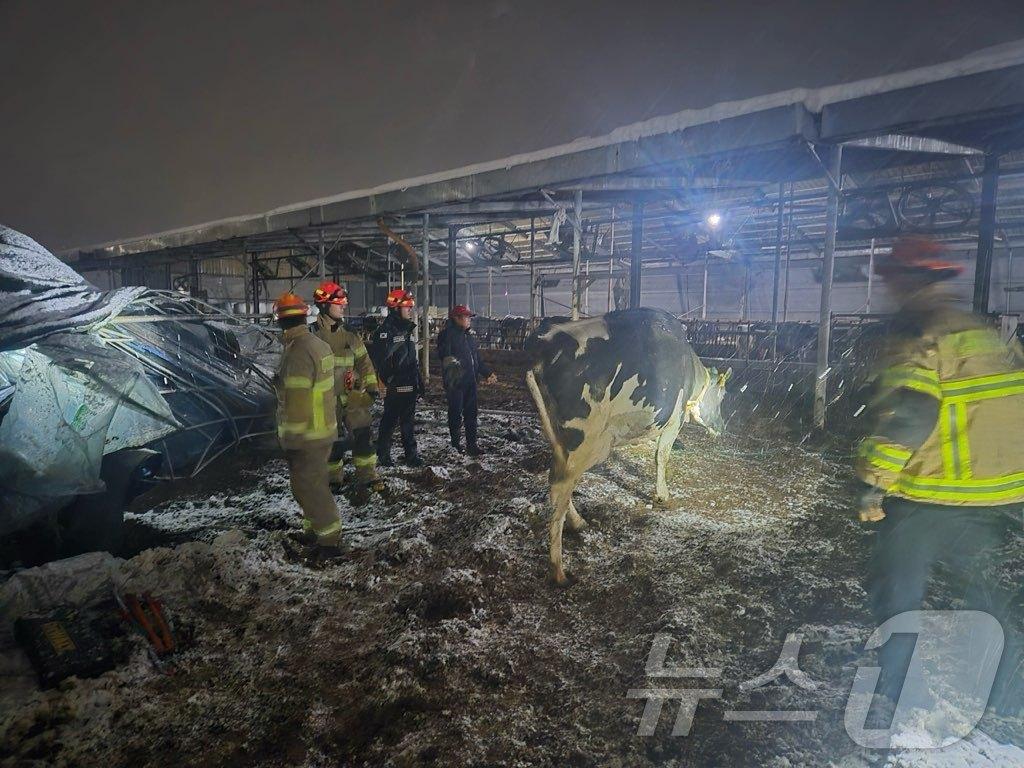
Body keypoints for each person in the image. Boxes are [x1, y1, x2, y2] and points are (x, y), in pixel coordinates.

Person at [855, 237, 1024, 712]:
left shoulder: (923, 335)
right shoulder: (986, 335)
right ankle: (1008, 696)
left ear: (909, 280)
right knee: (983, 596)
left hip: (930, 495)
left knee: (897, 592)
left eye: (890, 279)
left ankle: (896, 692)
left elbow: (912, 416)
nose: (887, 289)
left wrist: (873, 482)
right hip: (993, 497)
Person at [272, 292, 344, 551]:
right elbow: (330, 387)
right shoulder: (319, 345)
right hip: (324, 429)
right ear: (305, 316)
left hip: (307, 436)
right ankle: (314, 531)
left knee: (310, 488)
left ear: (279, 321)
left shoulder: (297, 353)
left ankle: (329, 540)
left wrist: (291, 439)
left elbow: (298, 402)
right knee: (310, 485)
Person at [312, 280, 381, 505]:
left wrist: (371, 387)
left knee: (363, 436)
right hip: (324, 401)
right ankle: (333, 480)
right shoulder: (311, 336)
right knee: (332, 443)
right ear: (324, 306)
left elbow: (364, 362)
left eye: (343, 302)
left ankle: (368, 477)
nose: (343, 305)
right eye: (338, 302)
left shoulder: (351, 335)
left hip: (352, 397)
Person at [370, 288, 424, 467]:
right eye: (407, 307)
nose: (410, 311)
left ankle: (411, 455)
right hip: (395, 386)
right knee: (389, 421)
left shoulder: (406, 331)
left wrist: (418, 381)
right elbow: (380, 358)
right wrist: (387, 382)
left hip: (409, 384)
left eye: (410, 307)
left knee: (408, 423)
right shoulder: (385, 332)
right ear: (395, 309)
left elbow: (411, 359)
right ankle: (383, 455)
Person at [436, 304, 498, 455]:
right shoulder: (446, 336)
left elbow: (476, 360)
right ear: (456, 318)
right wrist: (453, 377)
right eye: (466, 317)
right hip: (456, 383)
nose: (469, 320)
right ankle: (456, 444)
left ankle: (472, 445)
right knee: (455, 413)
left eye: (470, 317)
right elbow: (445, 356)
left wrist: (487, 373)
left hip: (470, 382)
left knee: (471, 413)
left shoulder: (469, 337)